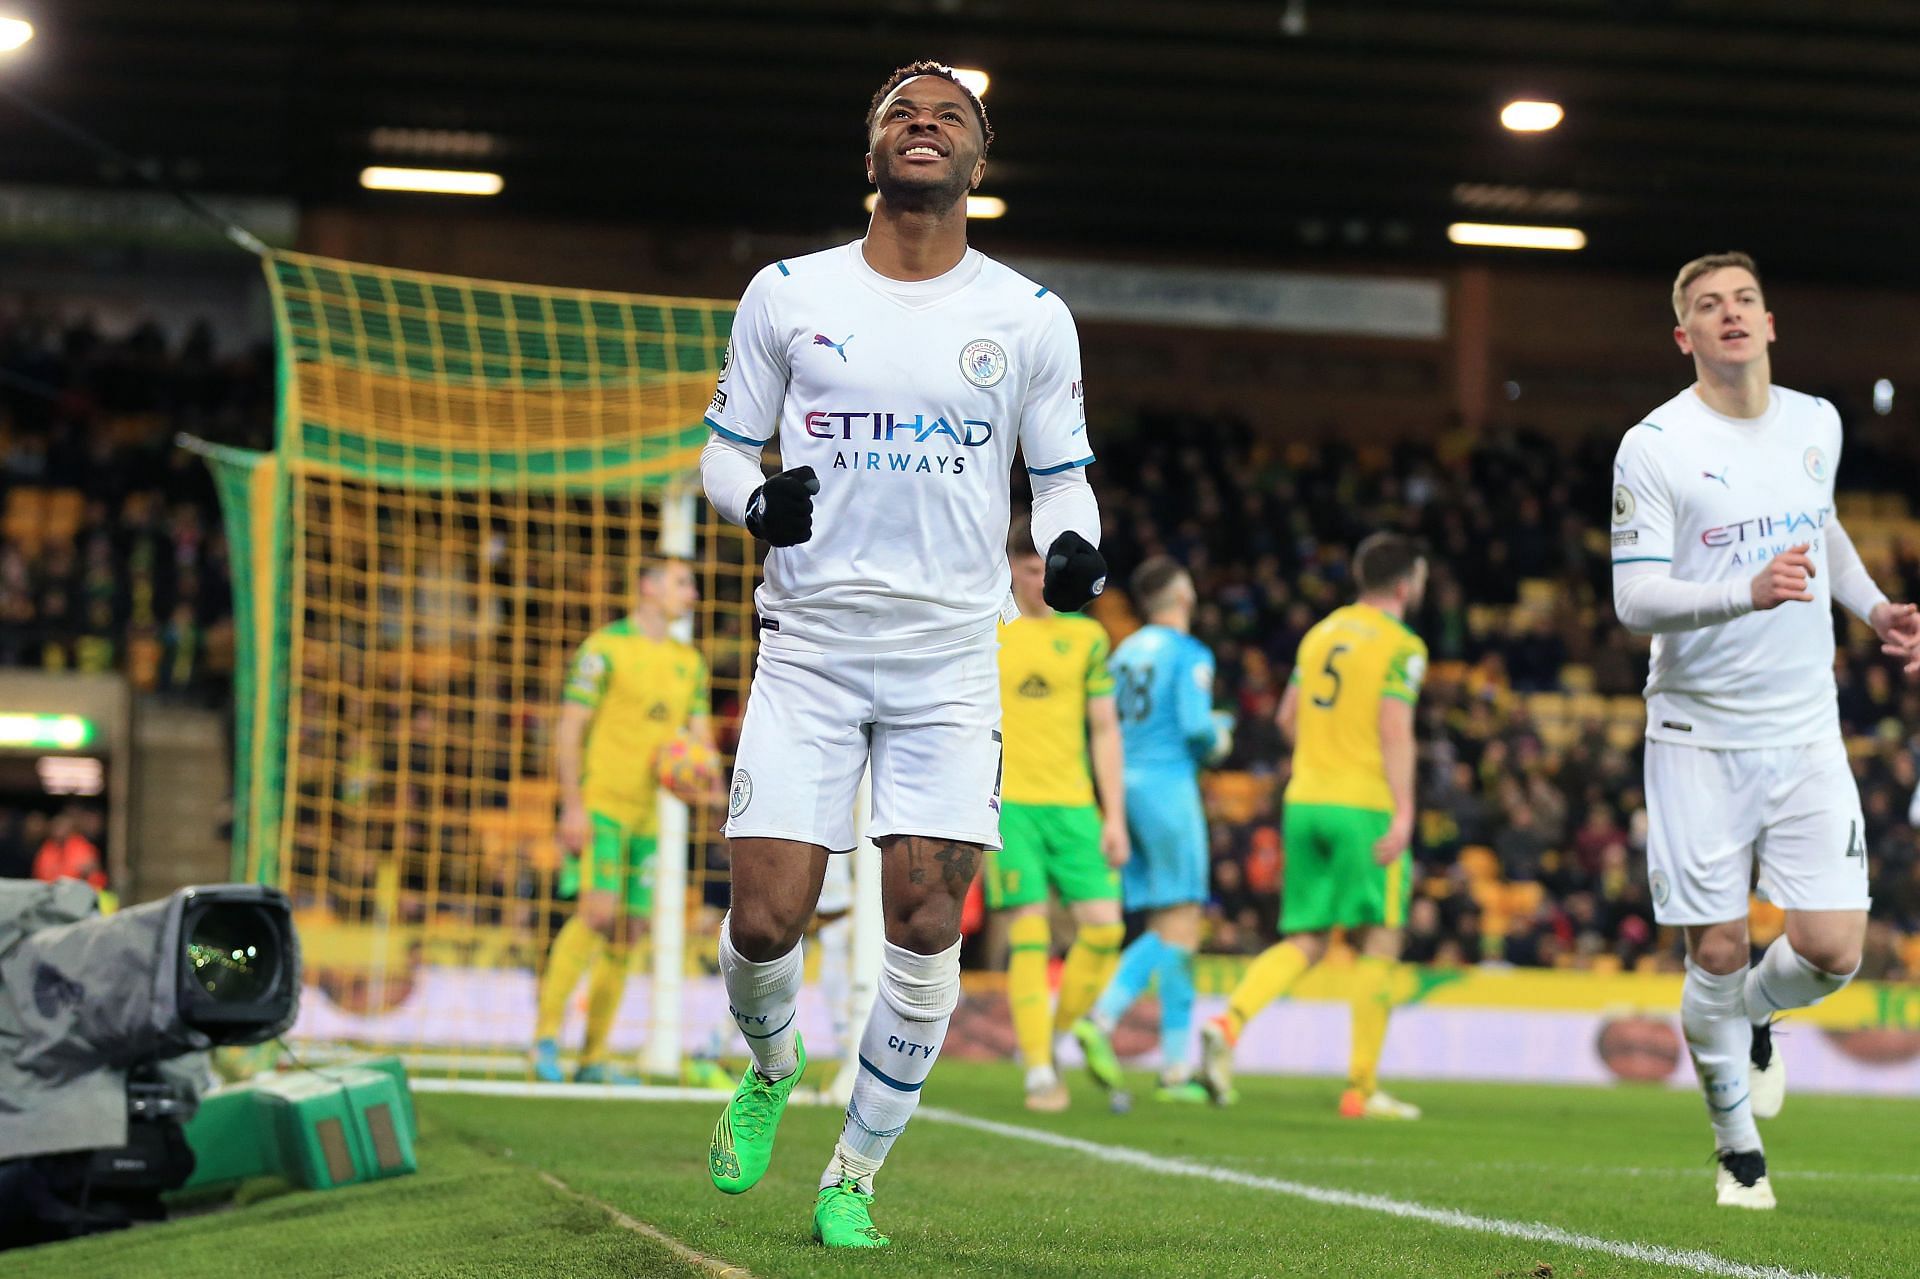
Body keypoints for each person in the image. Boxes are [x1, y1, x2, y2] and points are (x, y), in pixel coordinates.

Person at [696, 60, 1106, 1249]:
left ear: (979, 161)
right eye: (901, 116)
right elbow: (725, 449)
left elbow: (1064, 479)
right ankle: (771, 1068)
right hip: (811, 647)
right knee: (768, 920)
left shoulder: (1028, 316)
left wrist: (1074, 553)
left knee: (928, 919)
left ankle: (855, 1174)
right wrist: (756, 504)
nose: (924, 128)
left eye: (950, 119)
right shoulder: (786, 292)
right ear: (870, 152)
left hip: (945, 658)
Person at [1608, 251, 1920, 1208]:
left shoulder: (1816, 422)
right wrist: (1742, 593)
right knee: (1715, 949)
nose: (1730, 314)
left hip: (1804, 727)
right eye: (1709, 305)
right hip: (1698, 732)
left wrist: (1871, 608)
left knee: (1832, 949)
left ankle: (1747, 1020)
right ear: (1685, 336)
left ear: (1770, 323)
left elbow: (1818, 525)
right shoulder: (1653, 444)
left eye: (1744, 300)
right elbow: (1633, 599)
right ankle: (1737, 1145)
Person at [1199, 533, 1430, 1120]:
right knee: (1379, 936)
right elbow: (1395, 728)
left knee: (1304, 939)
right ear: (1406, 583)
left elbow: (1286, 718)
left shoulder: (1320, 633)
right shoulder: (1403, 645)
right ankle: (1361, 1088)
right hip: (1364, 805)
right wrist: (1404, 811)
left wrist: (1323, 763)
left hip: (1305, 801)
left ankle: (1228, 1023)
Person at [532, 556, 714, 1085]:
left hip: (649, 818)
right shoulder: (604, 650)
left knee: (629, 931)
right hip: (602, 805)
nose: (693, 594)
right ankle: (545, 1038)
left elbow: (700, 745)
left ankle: (592, 1058)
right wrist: (571, 803)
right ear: (649, 587)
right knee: (595, 914)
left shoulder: (690, 662)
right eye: (683, 582)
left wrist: (705, 784)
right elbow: (569, 729)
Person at [1072, 557, 1228, 1104]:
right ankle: (1102, 1017)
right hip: (1168, 790)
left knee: (1172, 927)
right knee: (1181, 924)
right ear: (1183, 596)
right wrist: (1220, 737)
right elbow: (1195, 729)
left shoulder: (1124, 653)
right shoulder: (1189, 655)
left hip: (1124, 789)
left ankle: (1175, 1070)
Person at [991, 511, 1128, 1112]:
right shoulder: (989, 627)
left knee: (1105, 927)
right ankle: (1039, 1071)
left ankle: (1058, 1031)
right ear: (1012, 570)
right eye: (1028, 568)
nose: (1040, 579)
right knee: (1029, 930)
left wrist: (1115, 815)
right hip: (1009, 801)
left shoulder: (1088, 638)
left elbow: (1104, 729)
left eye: (1047, 567)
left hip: (1074, 804)